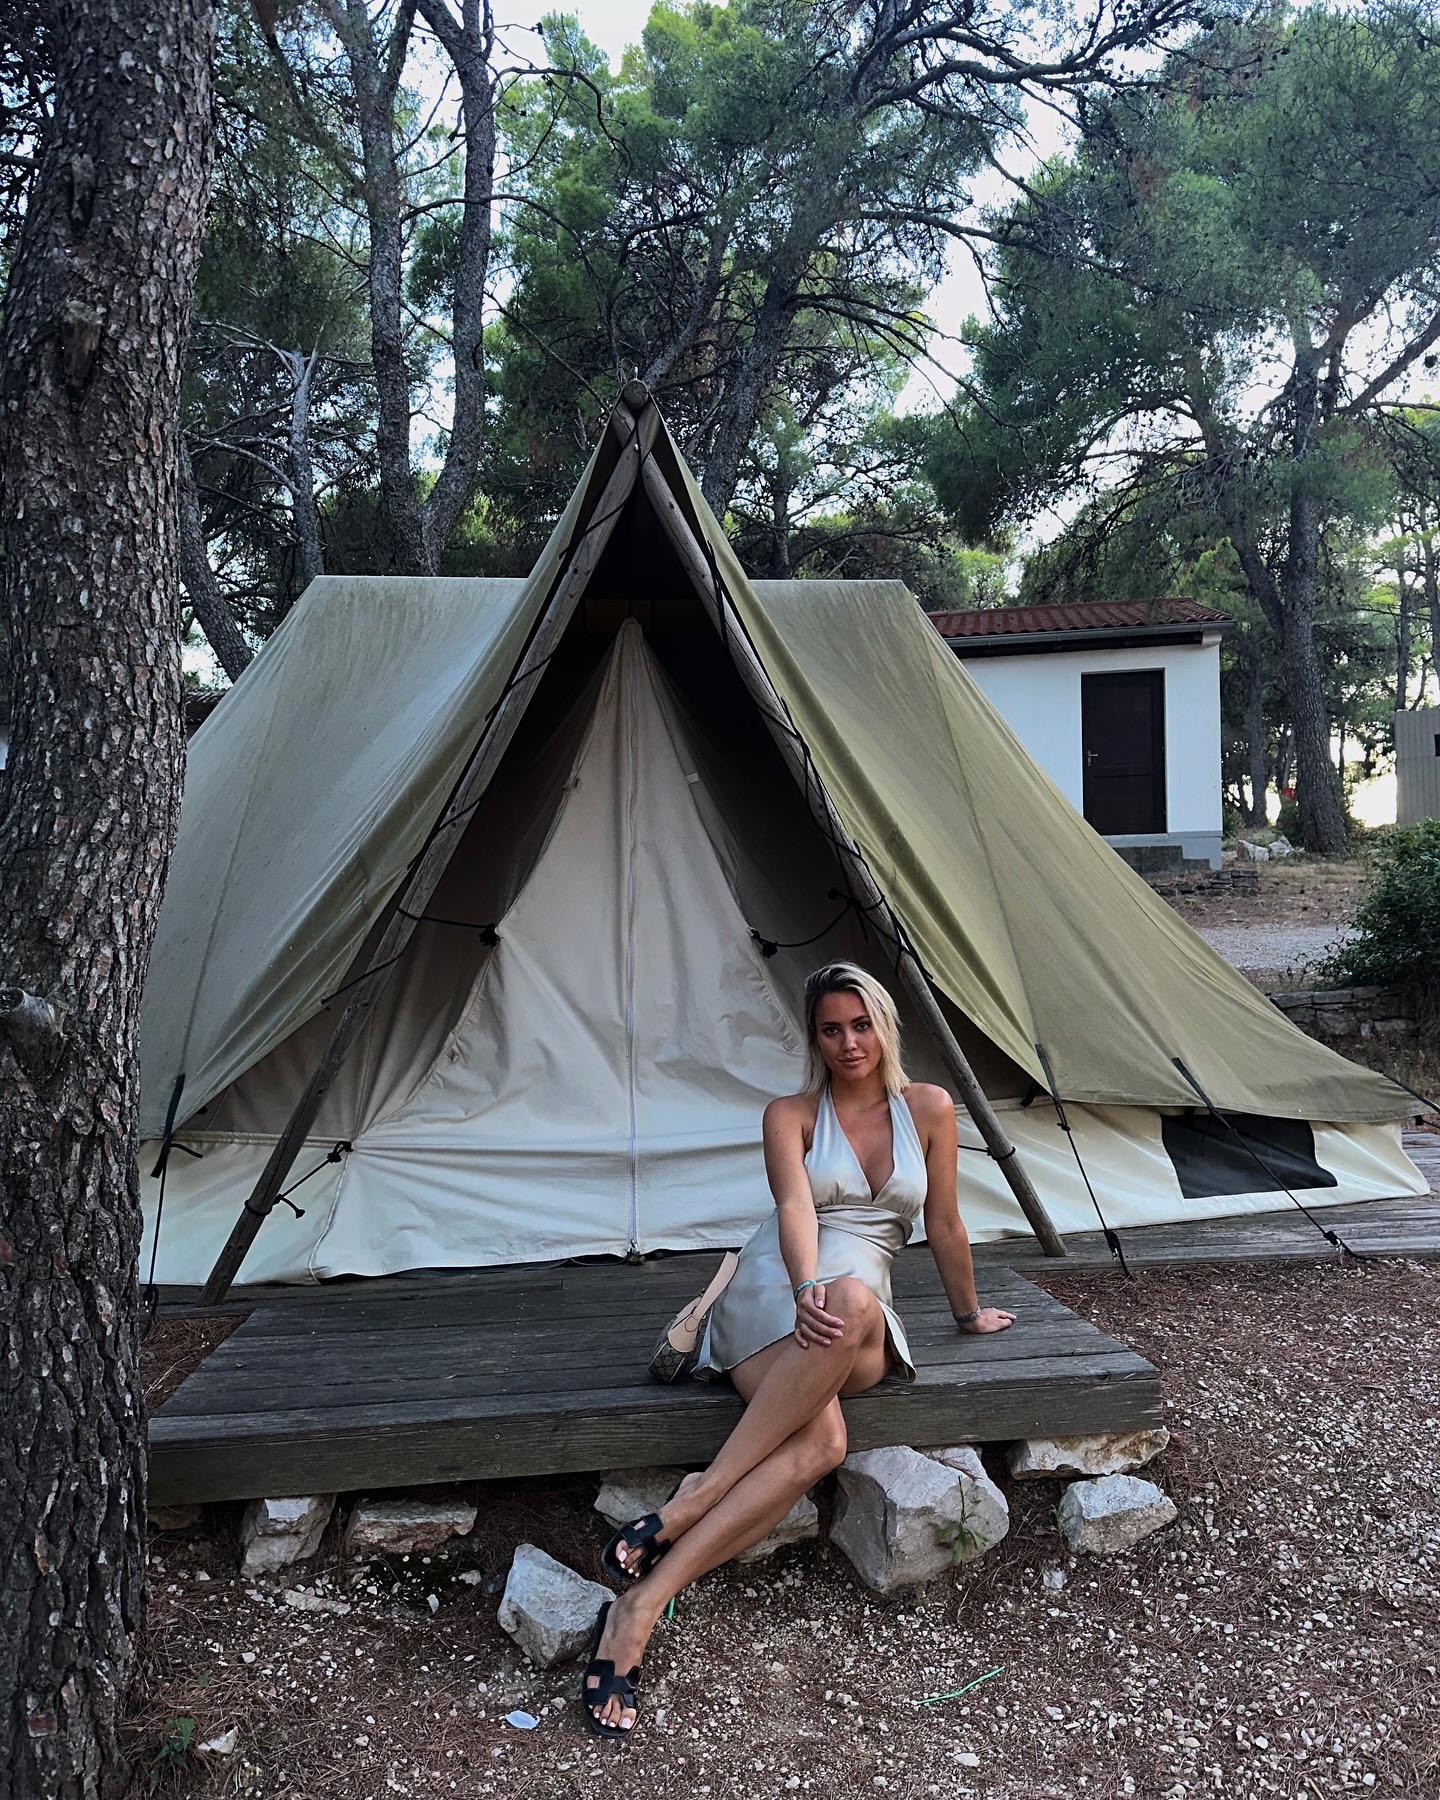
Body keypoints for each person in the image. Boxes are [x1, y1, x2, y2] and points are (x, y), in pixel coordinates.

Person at [581, 961, 1017, 1738]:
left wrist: (968, 1311)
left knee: (855, 1301)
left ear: (884, 1027)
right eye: (831, 1029)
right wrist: (805, 1283)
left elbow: (945, 1221)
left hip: (859, 1309)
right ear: (814, 1039)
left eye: (861, 1025)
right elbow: (792, 1206)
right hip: (778, 1289)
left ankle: (697, 1497)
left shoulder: (929, 1108)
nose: (849, 1042)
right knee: (822, 1444)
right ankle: (639, 1609)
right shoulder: (790, 1114)